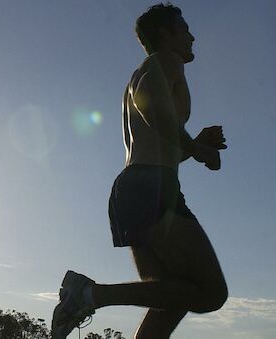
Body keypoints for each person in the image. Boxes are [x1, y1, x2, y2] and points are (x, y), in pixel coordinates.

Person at [51, 4, 228, 339]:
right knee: (210, 292)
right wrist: (198, 149)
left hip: (136, 187)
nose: (192, 36)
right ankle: (90, 295)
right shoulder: (164, 61)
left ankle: (87, 295)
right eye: (184, 29)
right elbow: (152, 107)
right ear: (166, 34)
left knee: (169, 298)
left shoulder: (149, 69)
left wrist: (192, 145)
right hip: (151, 187)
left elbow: (156, 145)